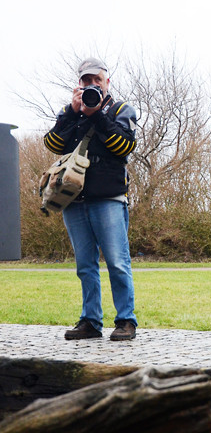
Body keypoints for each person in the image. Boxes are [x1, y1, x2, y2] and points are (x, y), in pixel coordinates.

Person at [44, 57, 139, 340]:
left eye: (97, 80)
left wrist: (97, 114)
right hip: (73, 199)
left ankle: (126, 320)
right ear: (79, 83)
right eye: (87, 80)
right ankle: (90, 322)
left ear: (107, 81)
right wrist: (72, 114)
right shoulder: (70, 111)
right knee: (85, 266)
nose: (92, 85)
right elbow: (53, 144)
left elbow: (124, 146)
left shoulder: (121, 109)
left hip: (108, 197)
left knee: (117, 262)